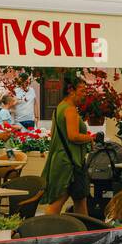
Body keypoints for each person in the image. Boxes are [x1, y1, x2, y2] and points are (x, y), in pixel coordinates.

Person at [42, 75, 92, 216]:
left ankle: (83, 232)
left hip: (64, 160)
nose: (84, 94)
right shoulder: (70, 109)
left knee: (80, 200)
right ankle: (44, 233)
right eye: (82, 90)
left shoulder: (59, 108)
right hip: (68, 164)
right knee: (57, 203)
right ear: (71, 90)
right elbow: (73, 135)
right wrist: (89, 138)